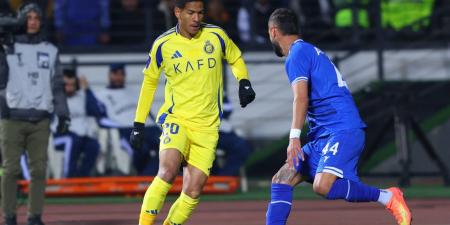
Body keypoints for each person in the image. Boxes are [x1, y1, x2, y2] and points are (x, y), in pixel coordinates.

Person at [265, 8, 411, 225]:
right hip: (323, 135)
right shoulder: (307, 51)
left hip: (342, 130)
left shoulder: (296, 55)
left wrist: (294, 137)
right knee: (281, 179)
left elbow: (301, 99)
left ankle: (388, 197)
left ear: (273, 31)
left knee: (322, 186)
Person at [129, 1, 256, 225]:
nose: (197, 18)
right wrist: (138, 124)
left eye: (200, 12)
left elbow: (235, 57)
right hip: (177, 119)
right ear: (178, 13)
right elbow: (149, 83)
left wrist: (243, 81)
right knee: (167, 171)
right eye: (191, 13)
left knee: (193, 191)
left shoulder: (216, 35)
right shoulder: (163, 44)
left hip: (207, 127)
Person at [0, 3, 70, 225]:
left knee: (39, 171)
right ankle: (9, 216)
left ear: (41, 21)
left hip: (41, 118)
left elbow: (58, 85)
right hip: (11, 117)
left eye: (36, 17)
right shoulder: (6, 46)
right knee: (10, 170)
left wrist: (64, 114)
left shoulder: (51, 50)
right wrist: (14, 23)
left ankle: (34, 216)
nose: (32, 21)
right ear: (21, 20)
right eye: (27, 17)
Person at [95, 63, 161, 175]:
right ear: (109, 75)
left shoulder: (133, 92)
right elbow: (100, 119)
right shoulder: (101, 95)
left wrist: (156, 125)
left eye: (122, 74)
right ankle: (144, 178)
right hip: (126, 129)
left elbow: (147, 112)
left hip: (148, 126)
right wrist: (118, 125)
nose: (119, 77)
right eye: (116, 74)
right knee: (142, 150)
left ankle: (148, 176)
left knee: (168, 148)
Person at [52, 70, 105, 177]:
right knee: (72, 140)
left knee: (94, 145)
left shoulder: (82, 97)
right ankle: (69, 178)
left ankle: (82, 178)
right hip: (60, 136)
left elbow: (96, 111)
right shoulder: (55, 99)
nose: (69, 88)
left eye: (72, 85)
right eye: (66, 85)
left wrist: (87, 90)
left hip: (81, 137)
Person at [212, 95, 252, 176]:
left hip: (223, 132)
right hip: (202, 131)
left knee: (242, 147)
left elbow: (228, 109)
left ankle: (223, 177)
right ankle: (211, 177)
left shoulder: (220, 90)